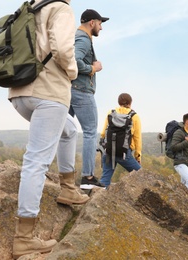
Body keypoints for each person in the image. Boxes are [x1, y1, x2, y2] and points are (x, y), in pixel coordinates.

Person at [8, 1, 89, 258]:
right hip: (48, 92)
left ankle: (68, 188)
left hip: (20, 92)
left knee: (68, 130)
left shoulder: (30, 6)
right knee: (37, 161)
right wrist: (74, 72)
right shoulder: (61, 8)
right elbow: (64, 50)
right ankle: (23, 238)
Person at [69, 9, 109, 189]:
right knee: (90, 132)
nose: (101, 27)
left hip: (70, 89)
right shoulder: (84, 39)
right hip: (81, 90)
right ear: (92, 23)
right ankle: (88, 177)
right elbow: (75, 61)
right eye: (100, 23)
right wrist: (92, 69)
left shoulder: (76, 36)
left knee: (64, 131)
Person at [99, 93, 142, 187]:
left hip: (109, 150)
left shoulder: (111, 113)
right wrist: (138, 156)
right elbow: (137, 138)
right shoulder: (134, 116)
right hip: (124, 153)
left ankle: (97, 199)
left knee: (105, 179)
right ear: (130, 103)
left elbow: (103, 133)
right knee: (142, 176)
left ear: (119, 102)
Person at [170, 113, 188, 192]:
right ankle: (185, 201)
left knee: (183, 185)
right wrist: (186, 142)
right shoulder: (179, 132)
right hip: (180, 162)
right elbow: (173, 147)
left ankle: (178, 200)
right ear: (187, 122)